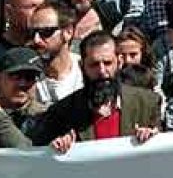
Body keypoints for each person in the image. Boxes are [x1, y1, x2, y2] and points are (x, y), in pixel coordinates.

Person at [33, 31, 162, 150]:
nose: (102, 71)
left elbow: (162, 152)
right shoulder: (63, 111)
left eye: (107, 63)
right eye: (94, 64)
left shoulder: (147, 103)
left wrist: (153, 138)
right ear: (82, 66)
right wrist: (57, 146)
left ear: (120, 62)